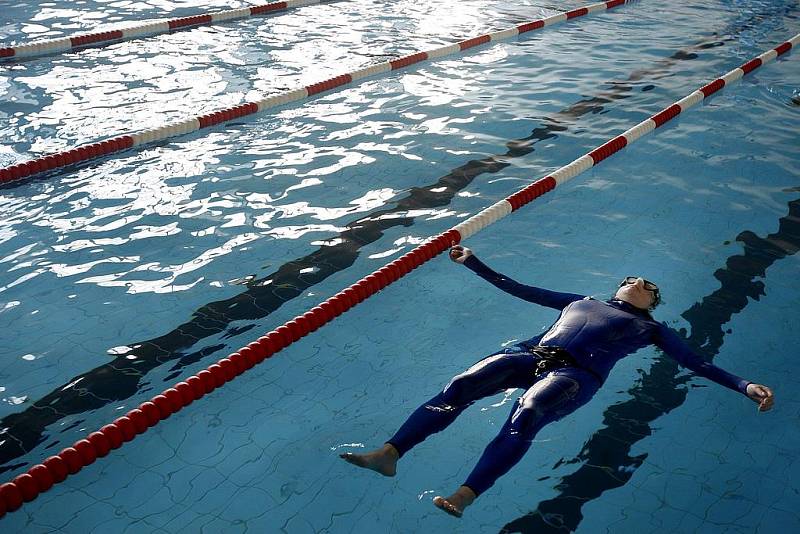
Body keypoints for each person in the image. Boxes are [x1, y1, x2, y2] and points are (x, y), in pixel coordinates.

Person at [340, 245, 775, 518]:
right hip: (530, 354)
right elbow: (519, 288)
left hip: (575, 377)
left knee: (526, 414)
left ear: (653, 301)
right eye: (631, 279)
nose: (637, 282)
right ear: (619, 287)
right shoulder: (579, 301)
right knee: (459, 386)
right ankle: (388, 453)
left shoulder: (652, 330)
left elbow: (697, 362)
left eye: (647, 285)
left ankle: (465, 495)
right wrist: (473, 261)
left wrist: (744, 385)